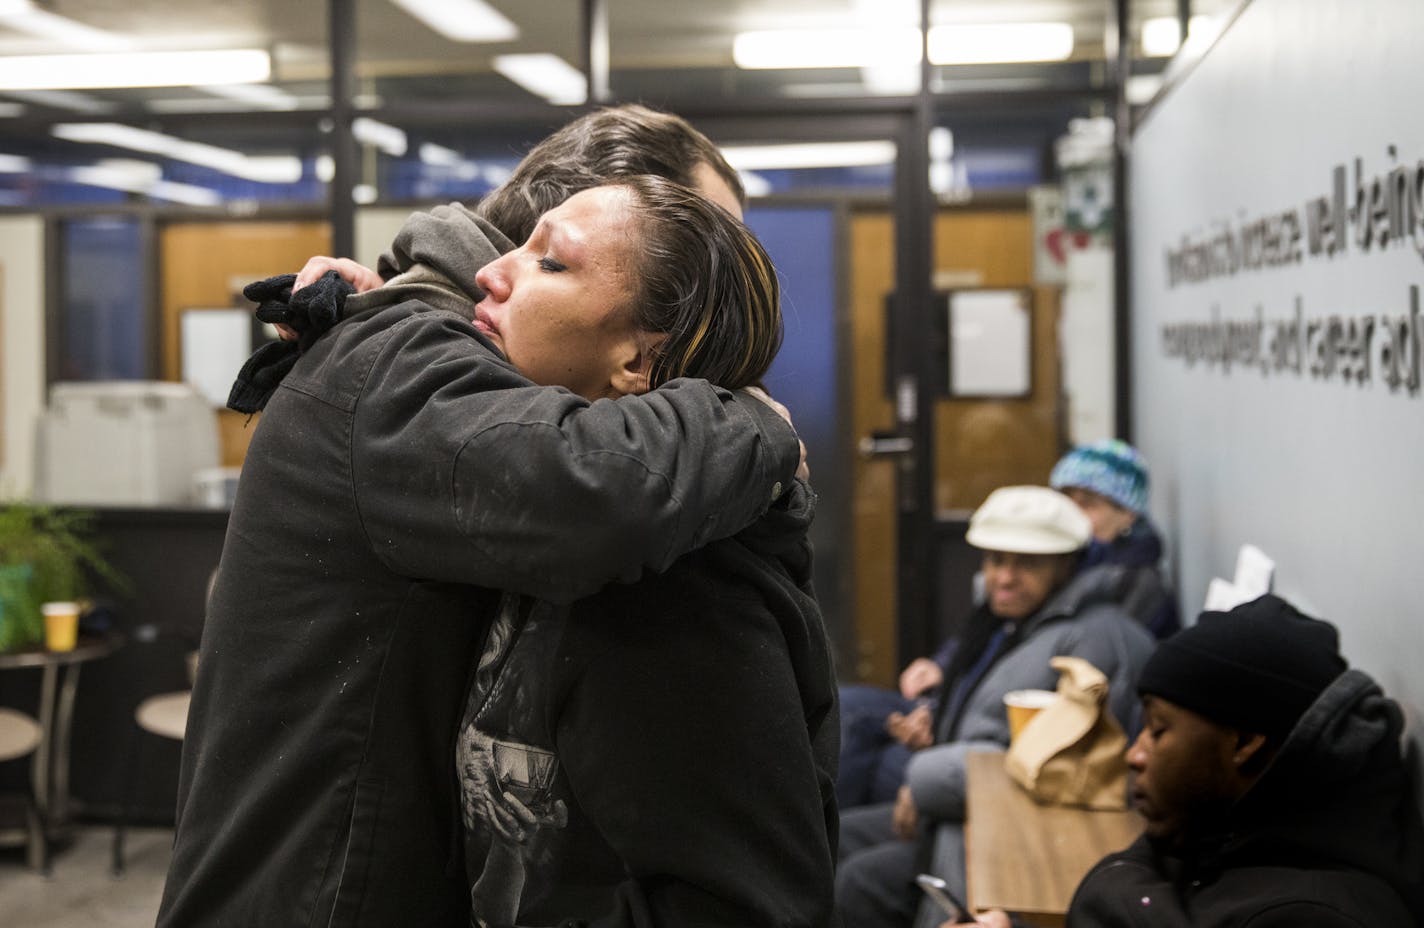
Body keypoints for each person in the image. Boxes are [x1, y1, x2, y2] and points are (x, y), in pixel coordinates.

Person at [159, 108, 805, 927]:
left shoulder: (441, 353)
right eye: (696, 258)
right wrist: (755, 419)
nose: (715, 320)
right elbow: (592, 495)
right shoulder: (400, 358)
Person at [450, 176, 836, 925]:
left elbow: (749, 906)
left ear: (638, 361)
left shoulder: (682, 584)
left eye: (550, 264)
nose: (491, 273)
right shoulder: (562, 529)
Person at [946, 594, 1424, 927]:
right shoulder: (1228, 833)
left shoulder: (1317, 914)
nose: (1135, 754)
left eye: (1158, 730)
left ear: (1244, 743)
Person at [835, 485, 1156, 928]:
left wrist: (921, 780)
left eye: (1027, 563)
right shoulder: (1012, 623)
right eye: (996, 560)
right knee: (825, 837)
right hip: (960, 813)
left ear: (1066, 564)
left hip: (1002, 838)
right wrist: (934, 720)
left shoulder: (1093, 643)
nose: (1004, 577)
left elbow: (1062, 770)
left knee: (854, 882)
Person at [1049, 438, 1179, 639]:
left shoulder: (1136, 582)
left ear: (1128, 514)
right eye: (1065, 499)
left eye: (1087, 504)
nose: (1072, 513)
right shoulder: (1073, 559)